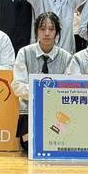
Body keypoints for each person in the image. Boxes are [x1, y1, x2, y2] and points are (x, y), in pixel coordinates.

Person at [12, 12, 74, 150]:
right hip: (29, 112)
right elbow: (17, 86)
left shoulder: (67, 57)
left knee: (57, 145)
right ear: (36, 31)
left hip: (59, 114)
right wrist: (41, 91)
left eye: (51, 29)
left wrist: (48, 94)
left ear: (57, 33)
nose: (47, 33)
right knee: (31, 146)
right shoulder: (24, 53)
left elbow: (69, 88)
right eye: (42, 29)